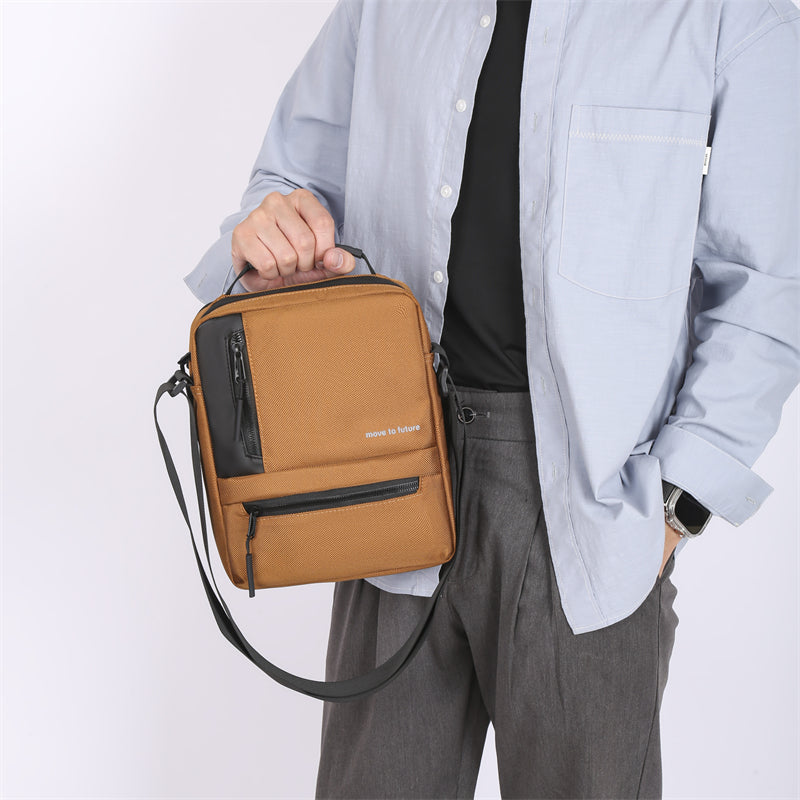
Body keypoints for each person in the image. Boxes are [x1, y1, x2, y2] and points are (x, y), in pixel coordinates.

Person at [184, 1, 800, 797]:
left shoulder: (728, 14)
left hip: (591, 507)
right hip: (387, 465)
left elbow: (768, 290)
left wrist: (676, 508)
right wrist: (270, 231)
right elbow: (289, 180)